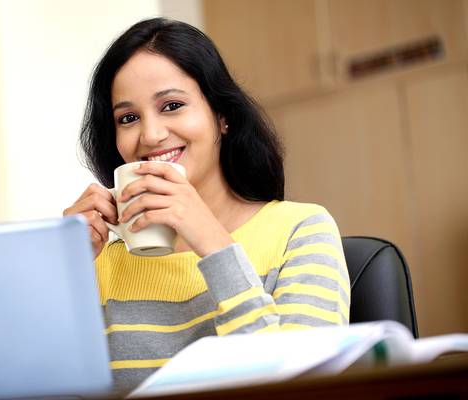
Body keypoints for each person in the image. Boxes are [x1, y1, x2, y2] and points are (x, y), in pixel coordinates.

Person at [63, 17, 350, 393]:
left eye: (172, 105)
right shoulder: (100, 263)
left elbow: (304, 388)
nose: (150, 135)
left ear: (222, 116)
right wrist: (59, 272)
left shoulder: (303, 229)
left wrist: (210, 240)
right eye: (128, 118)